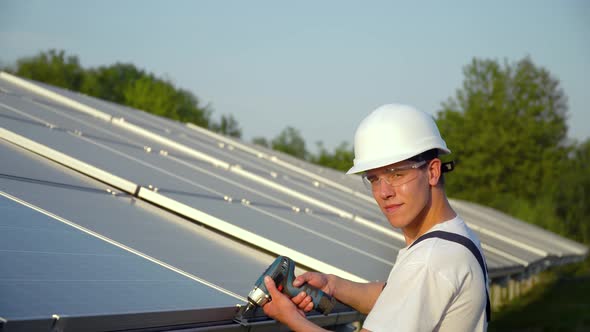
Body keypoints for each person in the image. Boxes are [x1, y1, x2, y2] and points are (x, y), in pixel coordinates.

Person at [262, 104, 490, 331]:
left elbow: (412, 287)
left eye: (397, 175)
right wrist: (333, 285)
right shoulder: (454, 237)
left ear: (432, 172)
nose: (384, 193)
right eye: (374, 179)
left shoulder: (429, 260)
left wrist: (292, 319)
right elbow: (396, 297)